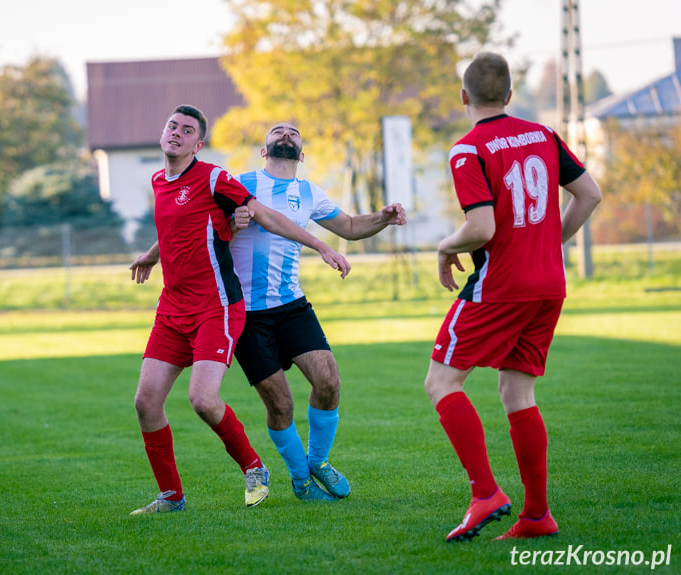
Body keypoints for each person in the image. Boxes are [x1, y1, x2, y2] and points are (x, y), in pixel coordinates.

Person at [128, 105, 351, 515]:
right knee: (145, 403)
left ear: (199, 143)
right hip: (171, 309)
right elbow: (177, 230)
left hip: (216, 306)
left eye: (187, 129)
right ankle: (171, 498)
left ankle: (256, 467)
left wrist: (320, 245)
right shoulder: (159, 180)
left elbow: (265, 215)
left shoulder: (215, 178)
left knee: (203, 401)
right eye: (171, 125)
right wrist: (150, 256)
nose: (176, 132)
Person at [424, 53, 602, 542]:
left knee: (441, 382)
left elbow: (481, 227)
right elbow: (589, 194)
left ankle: (485, 494)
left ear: (464, 97)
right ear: (508, 95)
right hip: (549, 284)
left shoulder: (467, 150)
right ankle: (537, 516)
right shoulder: (542, 136)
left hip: (500, 286)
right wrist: (548, 243)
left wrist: (444, 245)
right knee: (517, 391)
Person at [229, 122, 407, 501]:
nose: (286, 134)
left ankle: (318, 461)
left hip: (291, 305)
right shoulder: (239, 183)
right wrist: (232, 220)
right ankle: (301, 481)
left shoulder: (308, 193)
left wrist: (383, 216)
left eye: (294, 132)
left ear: (302, 154)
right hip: (246, 314)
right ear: (264, 151)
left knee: (328, 381)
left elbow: (351, 227)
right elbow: (207, 225)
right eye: (278, 131)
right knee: (280, 405)